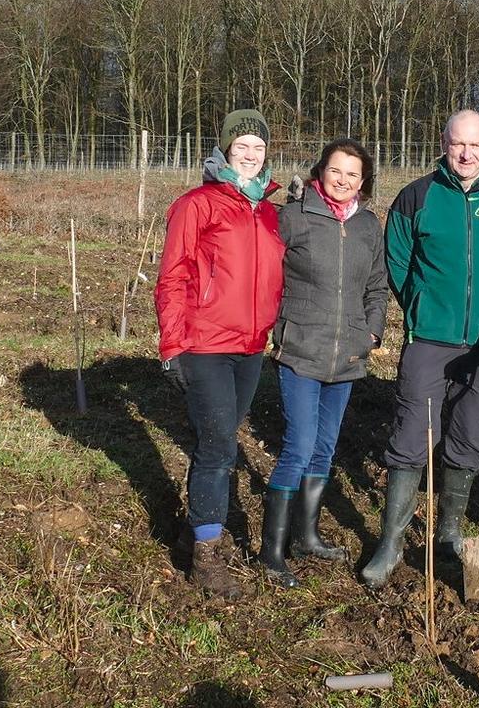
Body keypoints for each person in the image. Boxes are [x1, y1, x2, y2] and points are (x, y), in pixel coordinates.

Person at [361, 109, 479, 589]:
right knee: (411, 434)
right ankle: (391, 543)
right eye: (458, 143)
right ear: (444, 142)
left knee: (470, 437)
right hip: (429, 339)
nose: (466, 153)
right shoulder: (417, 197)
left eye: (475, 145)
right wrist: (419, 304)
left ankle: (449, 531)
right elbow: (396, 259)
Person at [155, 109, 284, 600]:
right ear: (224, 151)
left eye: (258, 147)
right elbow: (174, 277)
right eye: (241, 147)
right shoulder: (198, 204)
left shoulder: (268, 211)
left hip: (250, 347)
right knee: (218, 447)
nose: (250, 156)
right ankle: (208, 554)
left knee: (221, 437)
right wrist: (173, 346)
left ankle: (193, 530)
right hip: (206, 344)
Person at [257, 138, 389, 588]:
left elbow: (377, 284)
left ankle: (306, 534)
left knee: (325, 445)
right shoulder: (292, 218)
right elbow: (266, 274)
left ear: (363, 182)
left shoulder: (369, 226)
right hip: (301, 349)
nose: (344, 180)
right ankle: (272, 551)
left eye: (354, 174)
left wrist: (371, 331)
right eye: (337, 171)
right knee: (299, 443)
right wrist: (278, 324)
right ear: (321, 171)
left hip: (348, 353)